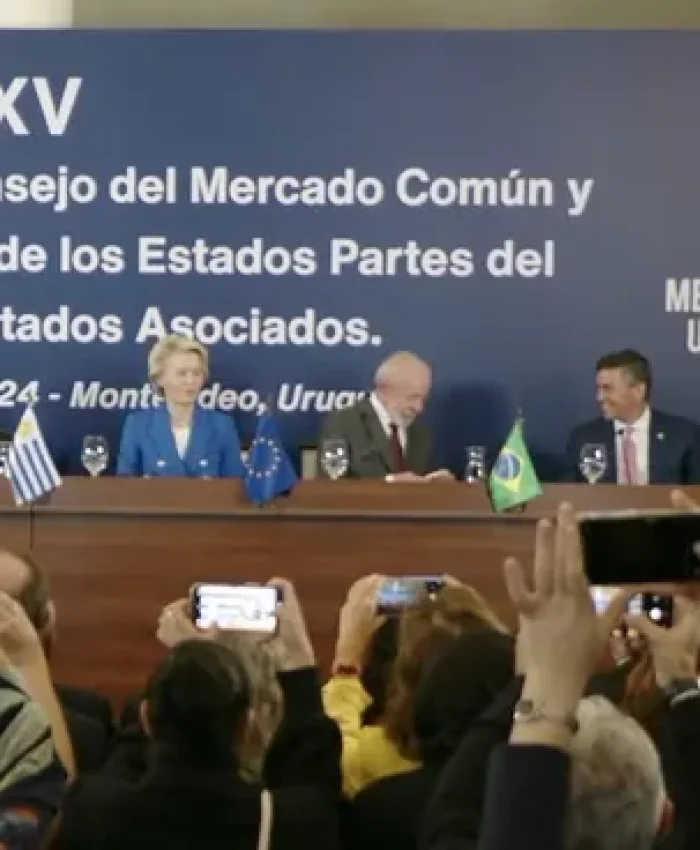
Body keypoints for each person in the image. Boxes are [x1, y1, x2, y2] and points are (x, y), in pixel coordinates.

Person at [116, 335, 245, 478]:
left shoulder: (222, 426)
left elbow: (235, 485)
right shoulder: (137, 425)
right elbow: (125, 486)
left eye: (196, 373)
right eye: (182, 374)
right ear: (160, 378)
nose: (190, 381)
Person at [564, 349, 700, 484]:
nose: (599, 397)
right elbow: (569, 494)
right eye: (598, 389)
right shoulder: (583, 438)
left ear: (638, 391)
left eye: (608, 389)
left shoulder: (684, 435)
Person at [316, 351, 451, 480]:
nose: (419, 408)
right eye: (412, 397)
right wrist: (389, 483)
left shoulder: (420, 431)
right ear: (385, 389)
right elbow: (330, 485)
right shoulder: (343, 423)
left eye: (424, 399)